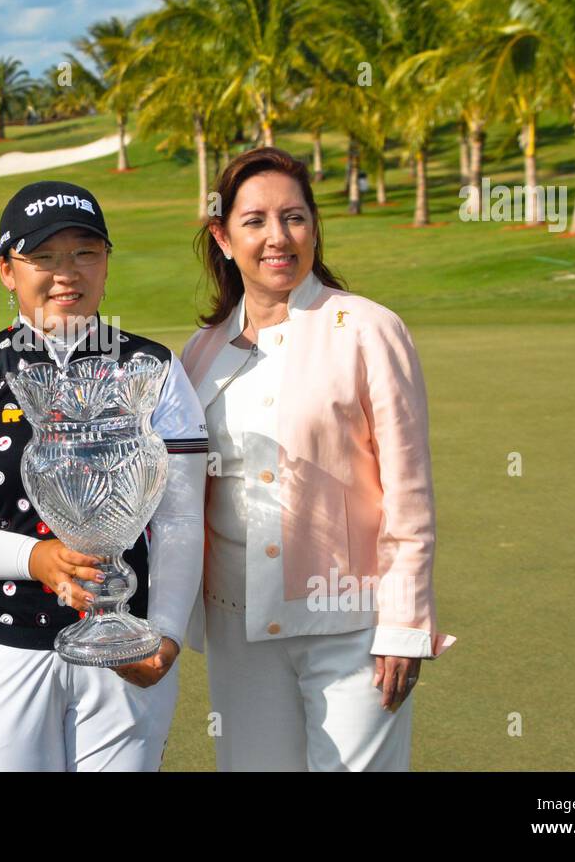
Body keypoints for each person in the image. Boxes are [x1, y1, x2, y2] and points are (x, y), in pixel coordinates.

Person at [0, 180, 207, 771]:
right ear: (8, 271)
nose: (67, 272)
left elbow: (179, 516)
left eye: (85, 252)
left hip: (127, 646)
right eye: (43, 256)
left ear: (106, 263)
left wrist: (165, 632)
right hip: (3, 640)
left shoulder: (153, 368)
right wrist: (35, 560)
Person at [179, 147, 455, 771]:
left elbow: (409, 493)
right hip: (237, 628)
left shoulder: (368, 330)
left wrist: (404, 625)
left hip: (348, 625)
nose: (277, 237)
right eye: (254, 221)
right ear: (223, 237)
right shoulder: (199, 351)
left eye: (294, 217)